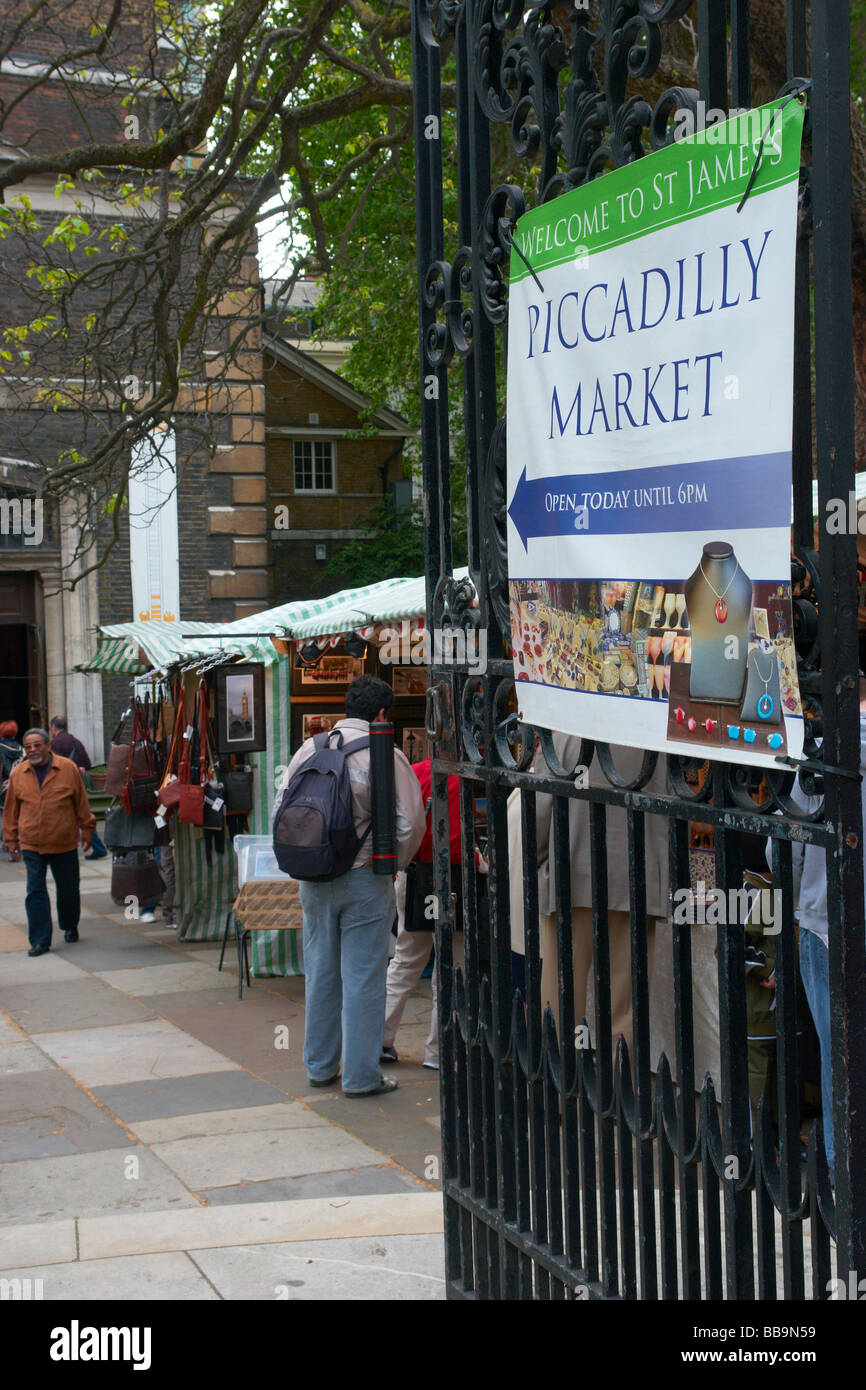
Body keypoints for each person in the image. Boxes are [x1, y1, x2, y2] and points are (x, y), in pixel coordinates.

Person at [275, 675, 426, 1097]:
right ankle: (361, 1077)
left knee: (321, 971)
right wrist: (392, 863)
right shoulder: (386, 755)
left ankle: (320, 1067)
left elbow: (280, 807)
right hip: (364, 880)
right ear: (382, 714)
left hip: (315, 879)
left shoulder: (311, 748)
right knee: (363, 977)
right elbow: (409, 823)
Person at [534, 734, 669, 1061]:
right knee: (624, 1008)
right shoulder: (651, 736)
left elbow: (538, 812)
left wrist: (540, 864)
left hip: (573, 874)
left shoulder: (563, 735)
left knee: (562, 995)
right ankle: (619, 1099)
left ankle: (562, 1091)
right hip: (637, 876)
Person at [381, 759, 465, 1069]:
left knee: (405, 960)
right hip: (451, 879)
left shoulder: (415, 772)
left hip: (414, 874)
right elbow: (455, 843)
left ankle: (379, 1039)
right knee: (453, 967)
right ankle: (439, 1051)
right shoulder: (463, 775)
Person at [1, 727, 96, 956]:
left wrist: (88, 828)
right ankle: (40, 940)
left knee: (68, 890)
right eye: (28, 747)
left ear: (48, 746)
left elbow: (81, 802)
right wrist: (10, 839)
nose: (33, 750)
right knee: (35, 890)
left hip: (63, 841)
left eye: (37, 745)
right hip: (32, 842)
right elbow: (11, 810)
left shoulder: (68, 769)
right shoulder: (18, 773)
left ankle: (69, 924)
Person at [49, 716, 108, 859]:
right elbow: (87, 764)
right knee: (81, 816)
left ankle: (62, 848)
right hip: (77, 785)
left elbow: (52, 766)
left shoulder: (54, 744)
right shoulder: (76, 742)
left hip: (60, 786)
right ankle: (98, 848)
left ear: (53, 728)